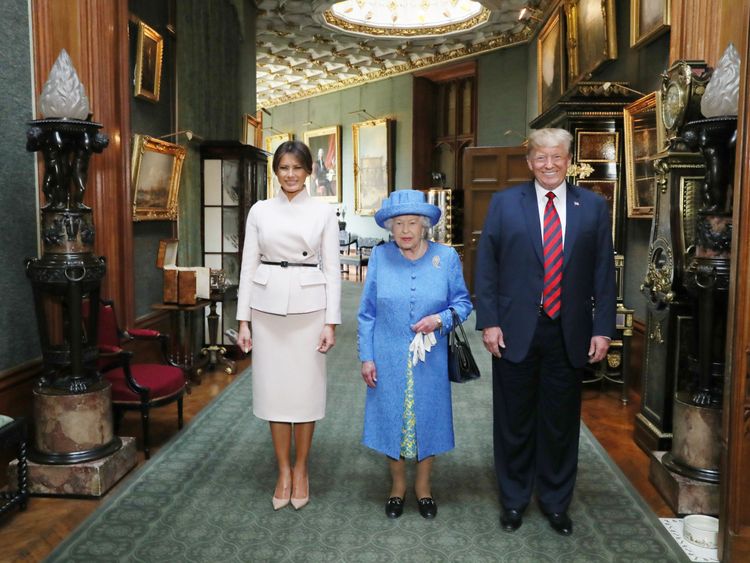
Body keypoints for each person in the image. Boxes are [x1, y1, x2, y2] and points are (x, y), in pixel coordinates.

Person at [474, 128, 616, 536]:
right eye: (540, 157)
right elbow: (487, 268)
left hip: (569, 332)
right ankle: (514, 500)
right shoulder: (504, 204)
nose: (548, 164)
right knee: (513, 420)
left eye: (556, 157)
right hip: (515, 329)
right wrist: (490, 321)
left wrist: (603, 329)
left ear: (569, 160)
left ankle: (556, 502)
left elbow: (603, 273)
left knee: (560, 422)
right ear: (529, 161)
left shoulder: (591, 207)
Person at [236, 140, 341, 511]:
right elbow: (248, 267)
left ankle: (301, 468)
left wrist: (331, 321)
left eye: (298, 167)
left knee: (305, 394)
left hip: (310, 309)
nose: (291, 174)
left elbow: (332, 269)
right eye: (284, 167)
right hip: (266, 310)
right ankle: (282, 470)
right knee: (274, 393)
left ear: (309, 171)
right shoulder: (260, 211)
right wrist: (243, 320)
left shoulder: (322, 212)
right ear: (275, 171)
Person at [358, 190, 472, 520]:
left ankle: (423, 488)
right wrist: (367, 356)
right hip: (387, 354)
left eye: (412, 223)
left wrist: (441, 319)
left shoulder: (446, 257)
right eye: (398, 224)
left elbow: (463, 303)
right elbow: (366, 312)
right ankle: (397, 487)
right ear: (390, 228)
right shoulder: (380, 258)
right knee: (391, 418)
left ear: (424, 226)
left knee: (428, 420)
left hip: (430, 358)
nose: (405, 230)